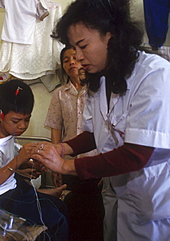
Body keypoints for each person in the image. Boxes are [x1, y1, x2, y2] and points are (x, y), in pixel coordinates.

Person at [32, 0, 170, 240]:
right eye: (73, 48)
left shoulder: (156, 76)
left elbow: (138, 153)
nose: (78, 57)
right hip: (125, 195)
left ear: (111, 35)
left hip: (163, 202)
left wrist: (66, 166)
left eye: (83, 46)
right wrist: (61, 148)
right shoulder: (100, 79)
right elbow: (96, 132)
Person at [0, 79, 68, 241]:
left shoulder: (9, 136)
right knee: (57, 222)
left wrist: (32, 165)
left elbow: (13, 164)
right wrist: (18, 160)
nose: (22, 126)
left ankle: (42, 194)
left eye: (27, 119)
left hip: (11, 190)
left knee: (61, 207)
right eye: (16, 121)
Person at [44, 45, 103, 240]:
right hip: (68, 164)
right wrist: (55, 165)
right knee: (71, 212)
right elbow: (56, 129)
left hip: (95, 163)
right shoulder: (60, 94)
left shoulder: (97, 91)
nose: (71, 62)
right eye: (66, 60)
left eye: (74, 58)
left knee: (95, 215)